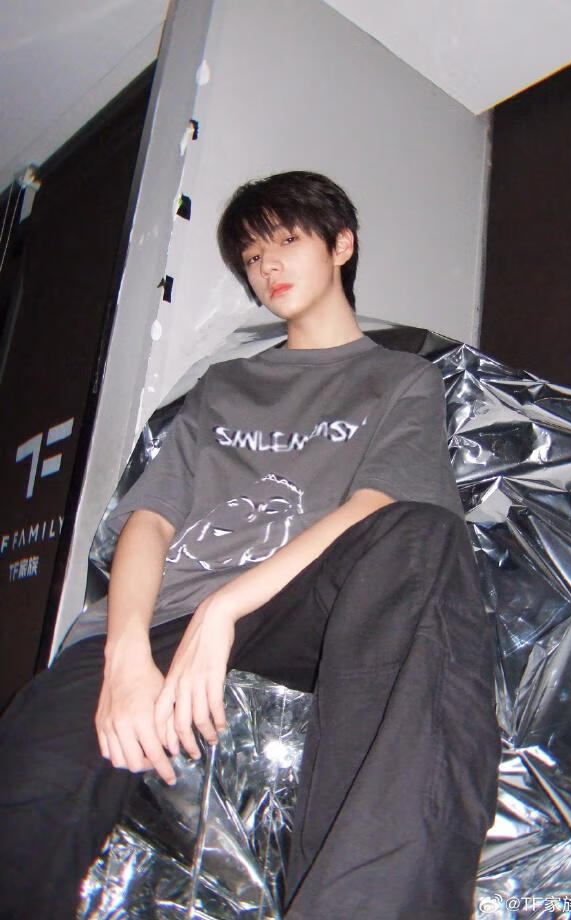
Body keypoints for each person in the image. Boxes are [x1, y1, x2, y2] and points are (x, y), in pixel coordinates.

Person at [0, 170, 500, 919]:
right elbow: (149, 522)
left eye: (286, 241)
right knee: (28, 794)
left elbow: (379, 502)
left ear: (341, 245)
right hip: (163, 613)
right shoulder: (225, 385)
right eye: (252, 255)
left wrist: (224, 609)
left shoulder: (400, 379)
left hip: (300, 601)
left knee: (422, 534)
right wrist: (125, 653)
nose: (267, 266)